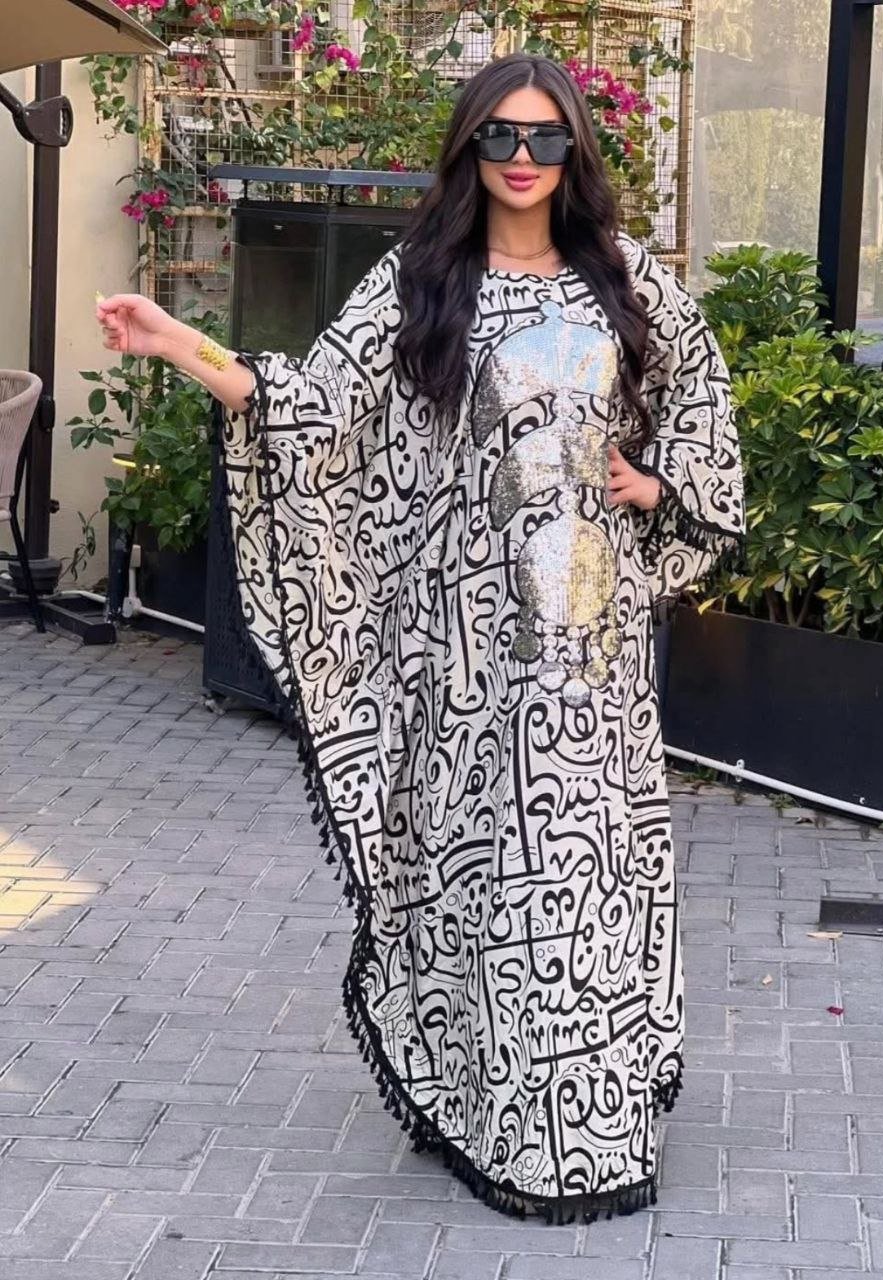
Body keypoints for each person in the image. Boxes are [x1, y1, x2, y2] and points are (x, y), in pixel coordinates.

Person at [95, 52, 746, 1224]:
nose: (522, 160)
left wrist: (656, 487)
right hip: (468, 645)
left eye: (545, 138)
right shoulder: (423, 281)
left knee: (584, 868)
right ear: (470, 147)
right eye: (500, 136)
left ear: (574, 151)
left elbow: (703, 418)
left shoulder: (627, 280)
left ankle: (586, 1123)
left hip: (591, 644)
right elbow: (311, 405)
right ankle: (500, 1102)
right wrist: (179, 343)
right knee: (492, 862)